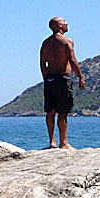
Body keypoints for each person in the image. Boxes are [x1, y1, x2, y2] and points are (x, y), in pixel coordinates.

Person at [40, 17, 85, 149]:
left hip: (49, 79)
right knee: (63, 112)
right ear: (60, 25)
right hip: (63, 79)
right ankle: (63, 142)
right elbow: (72, 59)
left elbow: (42, 63)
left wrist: (46, 79)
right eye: (65, 22)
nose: (67, 24)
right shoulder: (67, 41)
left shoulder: (45, 43)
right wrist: (80, 77)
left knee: (50, 111)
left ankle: (52, 141)